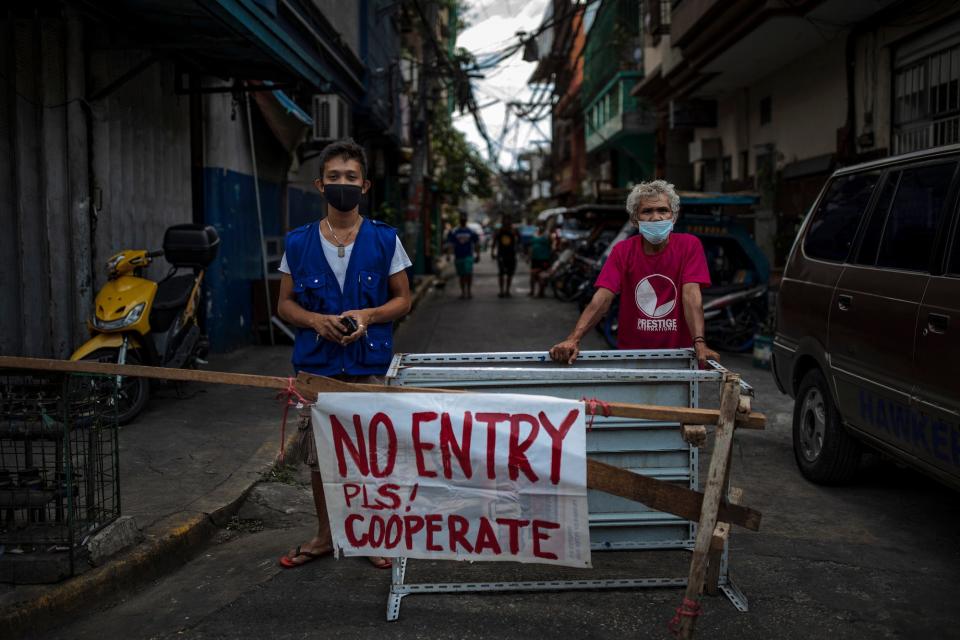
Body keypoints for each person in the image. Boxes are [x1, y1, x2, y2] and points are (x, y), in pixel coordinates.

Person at [275, 138, 412, 569]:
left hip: (368, 366)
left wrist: (369, 316)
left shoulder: (385, 239)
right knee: (322, 459)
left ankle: (371, 535)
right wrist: (317, 321)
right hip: (317, 369)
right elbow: (285, 304)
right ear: (320, 184)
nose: (342, 184)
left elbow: (403, 300)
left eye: (350, 177)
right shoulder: (297, 243)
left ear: (365, 185)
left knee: (370, 454)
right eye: (334, 177)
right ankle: (325, 535)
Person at [549, 180, 720, 367]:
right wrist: (574, 338)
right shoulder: (622, 251)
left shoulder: (689, 245)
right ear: (634, 220)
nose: (656, 217)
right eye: (647, 211)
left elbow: (691, 295)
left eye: (663, 210)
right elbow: (602, 298)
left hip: (681, 356)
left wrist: (700, 342)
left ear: (674, 216)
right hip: (633, 357)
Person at [446, 213, 480, 299]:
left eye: (464, 218)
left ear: (466, 220)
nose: (463, 220)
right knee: (461, 275)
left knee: (468, 274)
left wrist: (478, 254)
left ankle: (468, 291)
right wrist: (448, 255)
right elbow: (450, 244)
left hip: (468, 256)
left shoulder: (471, 231)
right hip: (459, 256)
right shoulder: (455, 231)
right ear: (460, 219)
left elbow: (476, 243)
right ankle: (463, 292)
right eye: (461, 218)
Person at [491, 214, 521, 297]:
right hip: (501, 255)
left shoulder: (514, 230)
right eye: (505, 220)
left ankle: (507, 290)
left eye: (508, 220)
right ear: (503, 221)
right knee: (501, 273)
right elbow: (494, 241)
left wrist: (518, 247)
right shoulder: (499, 230)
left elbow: (519, 240)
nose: (507, 222)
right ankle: (501, 291)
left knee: (510, 274)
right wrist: (492, 252)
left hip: (511, 254)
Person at [528, 223, 552, 297]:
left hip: (544, 259)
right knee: (533, 275)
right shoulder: (534, 235)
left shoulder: (547, 235)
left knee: (542, 276)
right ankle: (532, 291)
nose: (541, 227)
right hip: (535, 258)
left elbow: (551, 246)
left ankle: (541, 293)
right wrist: (529, 256)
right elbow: (531, 247)